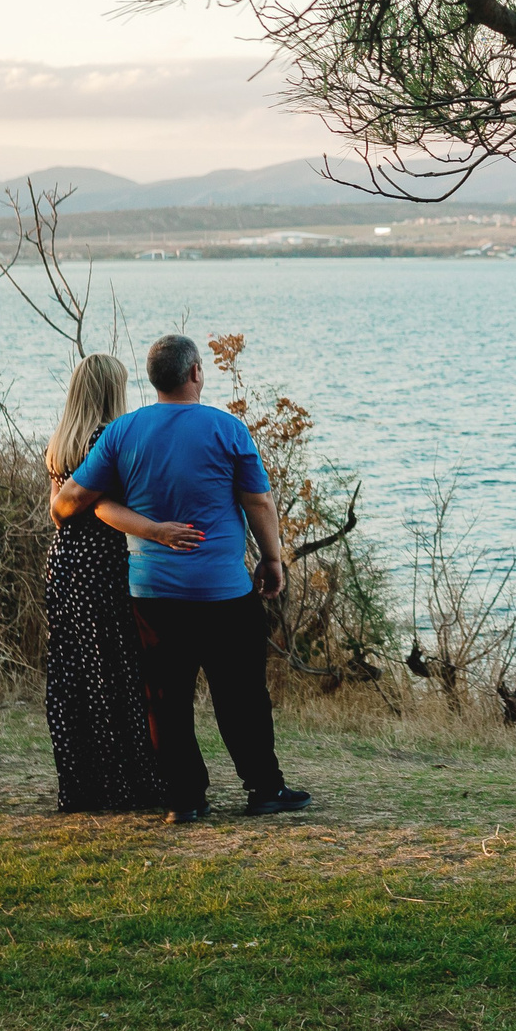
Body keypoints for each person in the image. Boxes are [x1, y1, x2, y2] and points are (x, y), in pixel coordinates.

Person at [50, 333, 310, 822]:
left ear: (153, 379)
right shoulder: (228, 429)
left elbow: (66, 504)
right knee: (242, 697)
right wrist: (272, 561)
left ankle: (185, 800)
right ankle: (264, 789)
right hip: (224, 592)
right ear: (196, 374)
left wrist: (130, 521)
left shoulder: (122, 433)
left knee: (165, 701)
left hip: (153, 594)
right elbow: (258, 502)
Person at [39, 353, 170, 815]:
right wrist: (156, 530)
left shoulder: (61, 440)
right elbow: (99, 507)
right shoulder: (104, 439)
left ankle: (81, 783)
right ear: (111, 391)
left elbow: (57, 509)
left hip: (64, 563)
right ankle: (122, 781)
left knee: (72, 670)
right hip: (99, 564)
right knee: (112, 670)